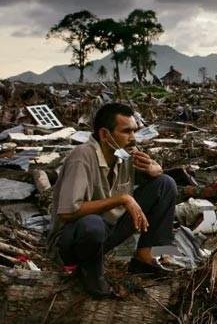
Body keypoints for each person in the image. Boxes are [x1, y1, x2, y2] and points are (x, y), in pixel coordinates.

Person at [46, 103, 176, 297]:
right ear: (105, 134)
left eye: (134, 131)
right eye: (126, 131)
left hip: (105, 233)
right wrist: (122, 199)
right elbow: (67, 213)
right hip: (71, 242)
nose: (133, 138)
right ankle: (90, 276)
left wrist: (155, 169)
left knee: (166, 184)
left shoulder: (123, 155)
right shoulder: (82, 156)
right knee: (92, 223)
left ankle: (146, 257)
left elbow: (157, 181)